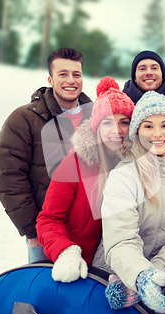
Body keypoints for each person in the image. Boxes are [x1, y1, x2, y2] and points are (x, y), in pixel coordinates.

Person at [99, 91, 165, 314]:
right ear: (137, 133)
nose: (157, 133)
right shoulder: (124, 176)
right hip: (113, 280)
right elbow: (120, 240)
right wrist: (142, 277)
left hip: (155, 281)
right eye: (148, 126)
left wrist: (157, 274)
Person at [0, 48, 93, 263]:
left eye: (76, 74)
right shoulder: (24, 119)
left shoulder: (95, 117)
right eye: (63, 74)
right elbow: (8, 177)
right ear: (50, 78)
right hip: (46, 234)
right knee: (46, 291)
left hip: (91, 233)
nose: (71, 80)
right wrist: (32, 231)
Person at [35, 77, 135, 282]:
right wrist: (66, 252)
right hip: (77, 267)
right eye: (108, 122)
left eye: (123, 122)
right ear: (96, 127)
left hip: (118, 270)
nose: (116, 130)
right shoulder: (74, 164)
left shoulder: (136, 168)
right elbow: (49, 219)